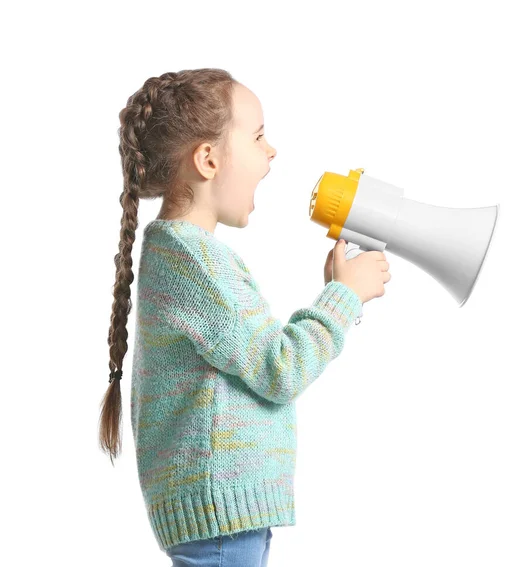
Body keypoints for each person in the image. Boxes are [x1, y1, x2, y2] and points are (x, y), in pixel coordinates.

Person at [98, 68, 391, 567]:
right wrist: (344, 297)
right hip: (221, 526)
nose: (272, 151)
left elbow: (254, 356)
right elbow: (281, 367)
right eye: (258, 136)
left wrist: (335, 292)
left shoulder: (181, 254)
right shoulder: (196, 263)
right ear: (209, 159)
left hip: (222, 524)